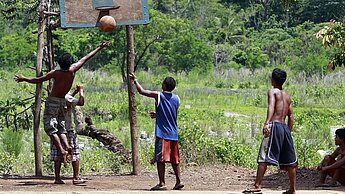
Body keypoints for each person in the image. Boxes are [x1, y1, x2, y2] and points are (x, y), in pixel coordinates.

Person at [15, 41, 109, 165]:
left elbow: (38, 80)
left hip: (53, 101)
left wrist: (24, 78)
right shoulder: (73, 70)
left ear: (59, 63)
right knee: (61, 128)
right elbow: (86, 58)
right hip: (63, 102)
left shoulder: (55, 73)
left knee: (50, 128)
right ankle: (67, 146)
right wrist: (99, 47)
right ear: (70, 63)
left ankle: (62, 150)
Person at [243, 68, 298, 194]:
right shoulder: (287, 96)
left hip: (275, 125)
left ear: (273, 80)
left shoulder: (273, 92)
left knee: (263, 157)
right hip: (284, 127)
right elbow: (291, 116)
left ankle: (257, 185)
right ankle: (292, 189)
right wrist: (288, 132)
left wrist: (267, 122)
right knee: (291, 161)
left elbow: (271, 106)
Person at [129, 73, 184, 191]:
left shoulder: (159, 95)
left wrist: (135, 80)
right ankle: (179, 181)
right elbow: (170, 112)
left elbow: (142, 91)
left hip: (163, 133)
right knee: (175, 159)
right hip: (174, 133)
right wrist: (158, 114)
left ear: (163, 85)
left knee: (160, 159)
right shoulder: (177, 99)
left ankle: (162, 183)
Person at [51, 84, 86, 184]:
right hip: (67, 129)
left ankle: (57, 178)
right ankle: (76, 177)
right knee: (74, 152)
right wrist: (81, 91)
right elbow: (80, 102)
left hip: (56, 129)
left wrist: (74, 92)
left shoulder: (54, 97)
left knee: (58, 152)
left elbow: (69, 97)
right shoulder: (66, 97)